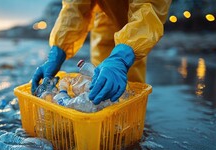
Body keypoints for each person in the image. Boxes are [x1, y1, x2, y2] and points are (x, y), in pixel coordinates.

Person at [32, 0, 172, 104]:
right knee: (98, 83)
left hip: (138, 17)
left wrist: (122, 57)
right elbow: (75, 7)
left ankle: (129, 121)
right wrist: (57, 52)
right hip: (105, 14)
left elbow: (149, 8)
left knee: (129, 86)